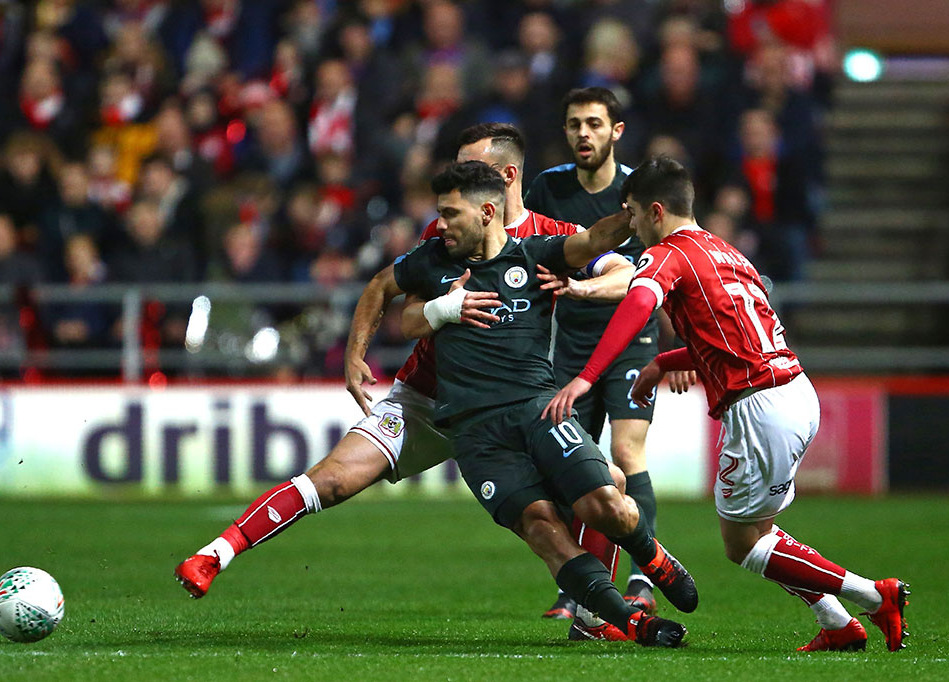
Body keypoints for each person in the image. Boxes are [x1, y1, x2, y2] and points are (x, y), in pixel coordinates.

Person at [174, 124, 639, 641]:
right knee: (333, 478)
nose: (456, 183)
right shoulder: (445, 234)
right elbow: (397, 301)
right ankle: (216, 554)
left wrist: (582, 287)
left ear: (505, 179)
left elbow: (624, 270)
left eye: (472, 168)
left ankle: (597, 615)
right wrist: (356, 355)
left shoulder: (552, 239)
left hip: (515, 406)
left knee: (599, 493)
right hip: (426, 401)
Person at [544, 157, 909, 653]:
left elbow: (637, 301)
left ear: (655, 211)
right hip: (796, 392)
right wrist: (661, 364)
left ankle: (872, 594)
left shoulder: (670, 253)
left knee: (744, 544)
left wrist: (587, 377)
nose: (630, 225)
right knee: (762, 532)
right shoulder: (727, 253)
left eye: (631, 214)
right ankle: (838, 623)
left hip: (759, 405)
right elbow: (729, 337)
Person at [389, 161, 696, 646]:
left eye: (450, 214)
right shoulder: (432, 260)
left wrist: (633, 212)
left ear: (487, 212)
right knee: (542, 528)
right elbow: (396, 309)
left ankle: (651, 555)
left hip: (538, 411)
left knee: (604, 504)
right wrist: (435, 310)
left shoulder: (535, 254)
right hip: (474, 434)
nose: (440, 224)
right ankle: (632, 622)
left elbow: (594, 242)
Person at [525, 87, 685, 617]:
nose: (583, 134)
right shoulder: (547, 188)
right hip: (570, 342)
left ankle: (643, 575)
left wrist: (676, 343)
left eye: (594, 124)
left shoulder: (636, 192)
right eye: (574, 125)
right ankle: (581, 586)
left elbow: (652, 276)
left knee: (626, 454)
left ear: (616, 131)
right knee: (571, 464)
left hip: (631, 339)